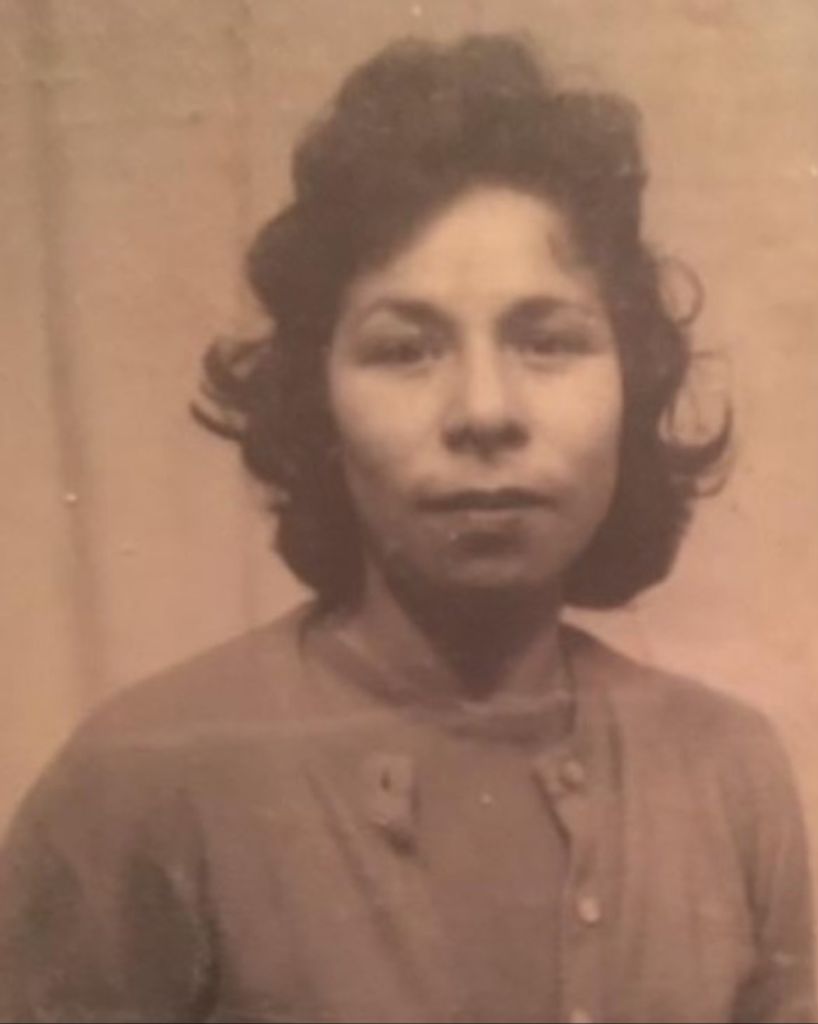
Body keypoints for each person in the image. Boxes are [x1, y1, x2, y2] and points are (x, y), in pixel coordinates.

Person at [0, 33, 814, 1024]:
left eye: (548, 341)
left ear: (629, 388)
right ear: (319, 407)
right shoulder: (140, 784)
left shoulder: (726, 772)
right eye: (405, 350)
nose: (484, 410)